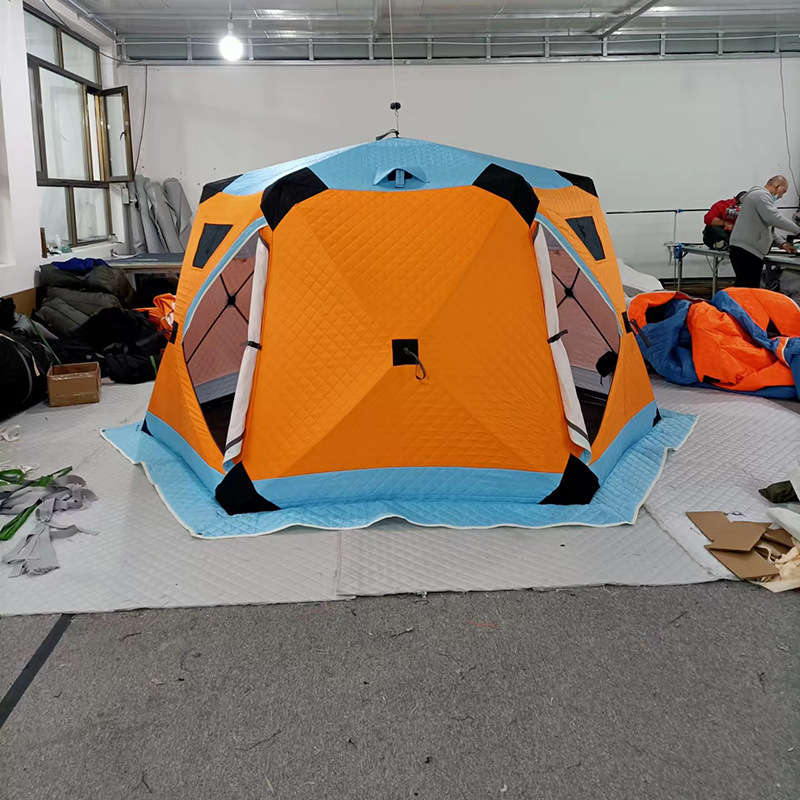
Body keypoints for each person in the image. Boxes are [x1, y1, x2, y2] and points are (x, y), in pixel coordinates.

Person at [728, 176, 800, 288]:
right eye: (783, 191)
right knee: (748, 289)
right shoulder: (761, 195)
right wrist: (797, 229)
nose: (781, 196)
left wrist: (782, 244)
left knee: (745, 287)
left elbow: (766, 228)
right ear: (777, 186)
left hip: (745, 249)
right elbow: (774, 218)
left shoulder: (757, 197)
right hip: (747, 251)